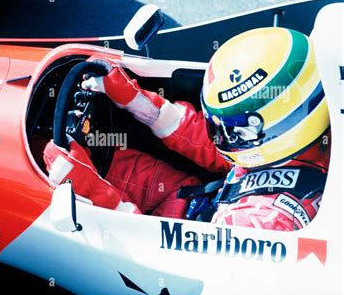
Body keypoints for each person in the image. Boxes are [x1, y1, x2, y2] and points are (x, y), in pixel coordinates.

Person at [43, 27, 330, 231]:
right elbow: (215, 150)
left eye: (228, 129)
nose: (219, 134)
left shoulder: (261, 226)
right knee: (116, 160)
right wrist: (136, 101)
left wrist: (93, 191)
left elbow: (154, 261)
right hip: (200, 198)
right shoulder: (300, 144)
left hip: (183, 238)